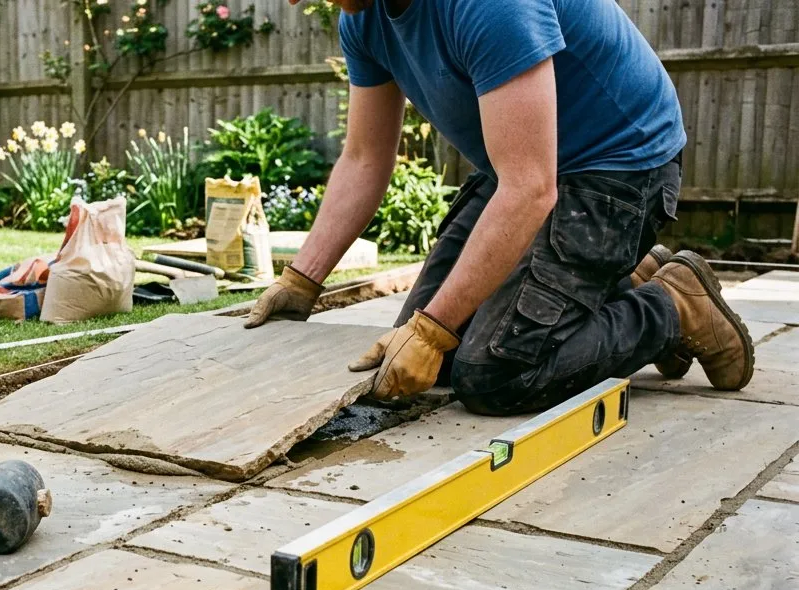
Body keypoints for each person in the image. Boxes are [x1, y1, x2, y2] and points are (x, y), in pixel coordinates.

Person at [245, 0, 753, 415]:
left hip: (620, 171)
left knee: (494, 372)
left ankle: (670, 307)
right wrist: (301, 281)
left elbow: (530, 189)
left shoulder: (490, 4)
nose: (293, 1)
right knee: (420, 357)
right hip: (525, 170)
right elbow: (362, 159)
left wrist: (433, 329)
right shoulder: (363, 17)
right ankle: (615, 273)